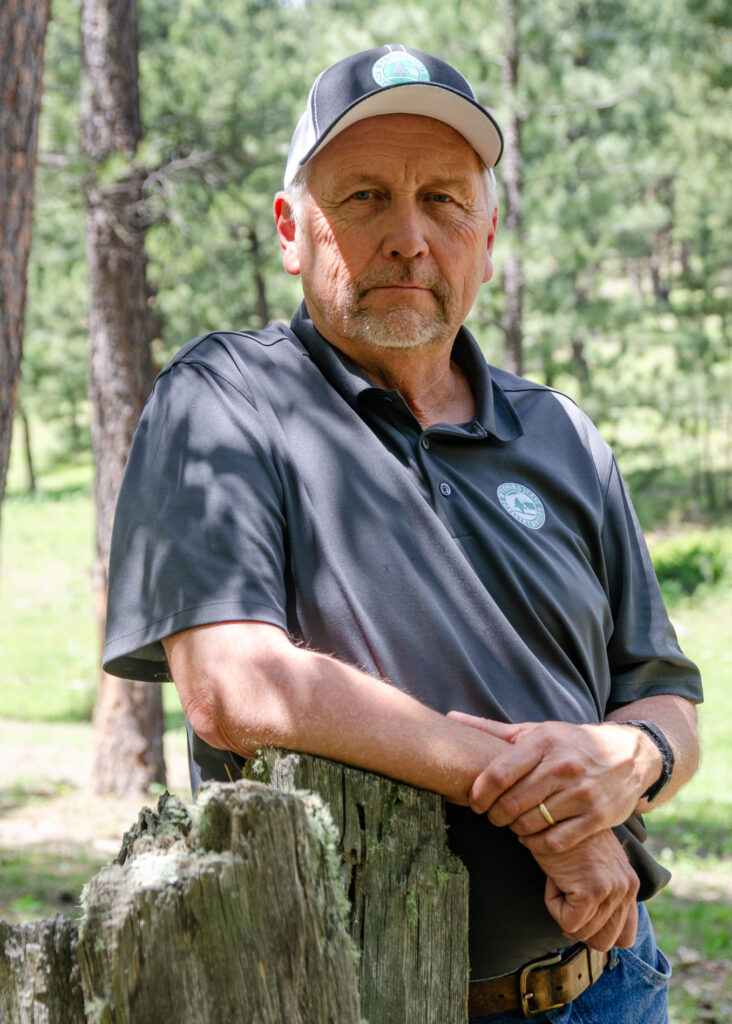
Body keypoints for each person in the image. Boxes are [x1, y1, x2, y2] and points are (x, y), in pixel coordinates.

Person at [103, 44, 702, 1022]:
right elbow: (233, 681)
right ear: (294, 230)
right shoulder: (224, 399)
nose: (409, 237)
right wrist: (535, 799)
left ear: (488, 234)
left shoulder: (562, 436)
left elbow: (662, 693)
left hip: (610, 986)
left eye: (444, 200)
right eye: (367, 198)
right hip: (350, 994)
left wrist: (627, 764)